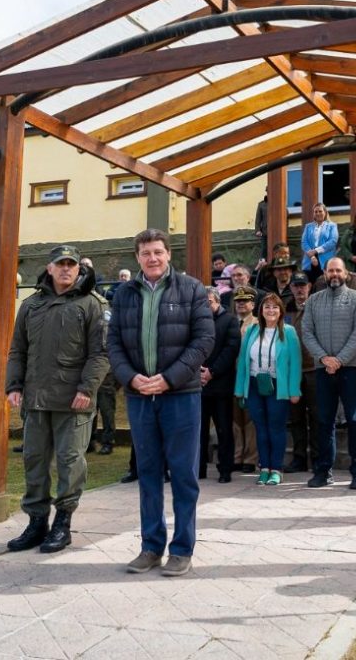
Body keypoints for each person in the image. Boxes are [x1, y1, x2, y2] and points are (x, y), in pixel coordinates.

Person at [108, 228, 214, 578]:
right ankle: (151, 547)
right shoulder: (123, 294)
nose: (152, 258)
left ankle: (182, 549)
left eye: (157, 252)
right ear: (137, 257)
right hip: (140, 397)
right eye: (145, 253)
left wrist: (169, 378)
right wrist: (130, 377)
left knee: (183, 475)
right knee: (148, 474)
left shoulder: (192, 289)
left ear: (169, 254)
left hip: (180, 397)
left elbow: (203, 340)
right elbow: (113, 345)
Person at [5, 245, 109, 554]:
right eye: (60, 264)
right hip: (36, 398)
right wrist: (14, 385)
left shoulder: (93, 304)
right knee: (34, 460)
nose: (66, 269)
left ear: (79, 269)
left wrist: (86, 389)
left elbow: (101, 354)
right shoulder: (31, 304)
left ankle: (62, 523)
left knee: (69, 461)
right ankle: (37, 522)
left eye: (71, 265)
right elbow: (17, 349)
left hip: (73, 400)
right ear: (49, 268)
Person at [302, 257, 356, 489]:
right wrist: (324, 358)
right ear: (324, 273)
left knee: (354, 419)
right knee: (324, 421)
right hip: (323, 369)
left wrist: (339, 360)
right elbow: (307, 332)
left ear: (346, 273)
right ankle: (323, 471)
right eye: (330, 270)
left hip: (351, 368)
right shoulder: (313, 301)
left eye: (338, 270)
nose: (334, 274)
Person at [235, 293, 302, 486]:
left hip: (278, 386)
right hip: (255, 384)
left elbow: (295, 363)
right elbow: (243, 362)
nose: (270, 310)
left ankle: (276, 469)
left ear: (280, 311)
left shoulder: (288, 332)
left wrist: (294, 390)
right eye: (267, 307)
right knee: (260, 428)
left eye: (274, 307)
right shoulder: (252, 330)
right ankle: (264, 468)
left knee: (276, 428)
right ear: (261, 310)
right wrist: (240, 388)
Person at [200, 287, 241, 483]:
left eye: (208, 302)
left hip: (221, 385)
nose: (206, 305)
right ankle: (198, 468)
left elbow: (231, 350)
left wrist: (212, 372)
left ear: (216, 301)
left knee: (224, 429)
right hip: (198, 384)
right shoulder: (197, 320)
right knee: (198, 431)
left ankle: (225, 470)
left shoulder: (230, 320)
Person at [284, 272, 318, 473]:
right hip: (292, 371)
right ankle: (299, 458)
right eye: (296, 286)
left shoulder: (316, 306)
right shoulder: (285, 309)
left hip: (313, 368)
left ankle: (317, 457)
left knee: (316, 416)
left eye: (302, 286)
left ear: (309, 286)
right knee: (295, 418)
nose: (299, 289)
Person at [232, 286, 260, 473]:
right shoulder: (229, 323)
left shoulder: (259, 324)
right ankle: (237, 455)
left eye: (245, 301)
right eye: (238, 301)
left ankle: (250, 458)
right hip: (231, 376)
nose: (241, 304)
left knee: (250, 418)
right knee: (235, 418)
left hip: (251, 376)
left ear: (253, 304)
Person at [301, 203, 339, 282]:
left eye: (320, 211)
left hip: (326, 260)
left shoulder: (332, 226)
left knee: (324, 284)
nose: (318, 213)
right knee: (309, 285)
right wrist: (312, 256)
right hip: (309, 261)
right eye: (316, 212)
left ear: (325, 212)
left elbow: (333, 241)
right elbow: (304, 242)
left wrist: (316, 251)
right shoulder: (308, 226)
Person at [254, 189, 268, 261]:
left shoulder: (279, 202)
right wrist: (257, 230)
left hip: (277, 232)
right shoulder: (261, 204)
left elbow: (285, 214)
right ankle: (262, 267)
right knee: (264, 251)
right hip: (265, 232)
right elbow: (258, 218)